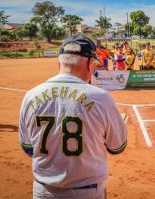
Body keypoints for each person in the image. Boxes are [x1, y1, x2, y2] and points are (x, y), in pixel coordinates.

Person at [19, 34, 128, 199]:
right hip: (87, 192)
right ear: (91, 64)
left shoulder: (31, 96)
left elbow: (28, 147)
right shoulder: (101, 98)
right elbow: (117, 147)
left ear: (60, 61)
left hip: (44, 192)